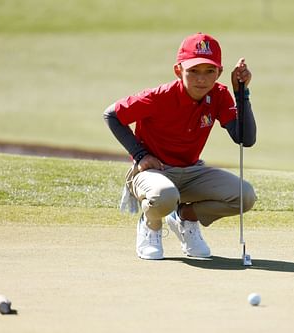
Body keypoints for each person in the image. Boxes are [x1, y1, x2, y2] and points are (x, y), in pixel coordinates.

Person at [103, 32, 257, 260]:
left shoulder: (219, 95)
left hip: (192, 172)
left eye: (209, 72)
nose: (201, 79)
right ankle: (151, 224)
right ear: (178, 70)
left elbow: (245, 138)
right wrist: (139, 154)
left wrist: (241, 92)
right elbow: (112, 115)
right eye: (193, 71)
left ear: (220, 73)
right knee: (164, 195)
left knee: (245, 195)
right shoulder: (159, 97)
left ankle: (186, 216)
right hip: (154, 173)